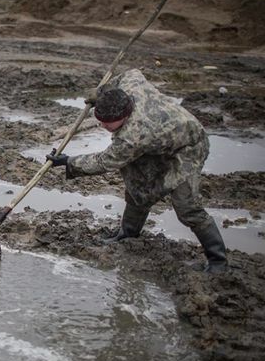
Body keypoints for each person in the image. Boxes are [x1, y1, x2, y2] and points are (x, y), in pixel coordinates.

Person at [47, 69, 228, 274]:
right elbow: (132, 72)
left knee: (187, 206)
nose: (102, 125)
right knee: (137, 183)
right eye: (100, 120)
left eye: (107, 123)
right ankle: (128, 233)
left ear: (124, 116)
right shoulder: (130, 85)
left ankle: (218, 261)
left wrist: (69, 161)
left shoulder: (133, 136)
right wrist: (100, 92)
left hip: (187, 146)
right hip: (159, 140)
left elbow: (105, 161)